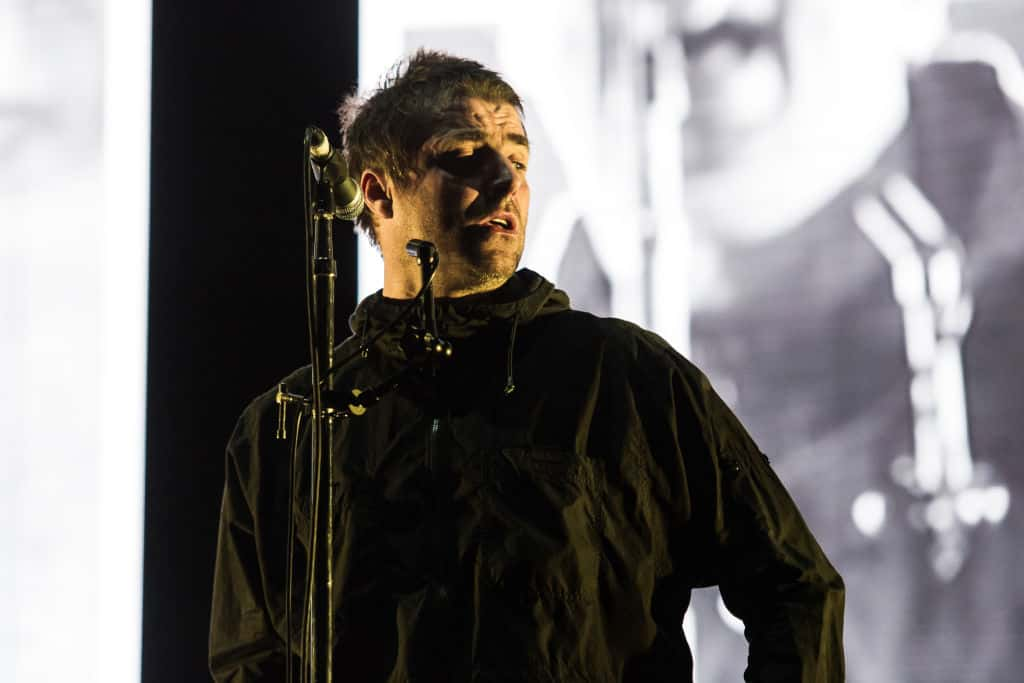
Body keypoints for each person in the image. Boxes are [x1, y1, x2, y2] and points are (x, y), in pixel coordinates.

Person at [208, 49, 845, 682]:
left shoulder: (629, 377)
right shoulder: (286, 427)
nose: (507, 181)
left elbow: (795, 588)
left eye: (517, 158)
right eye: (465, 156)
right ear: (376, 191)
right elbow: (250, 663)